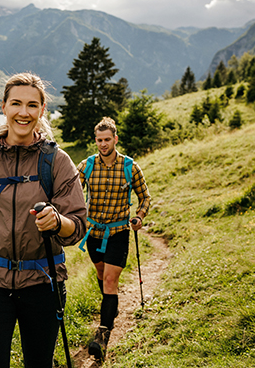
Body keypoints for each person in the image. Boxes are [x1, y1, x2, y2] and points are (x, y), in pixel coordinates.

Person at [0, 72, 87, 368]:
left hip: (43, 281)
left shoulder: (57, 162)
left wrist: (57, 222)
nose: (24, 113)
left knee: (39, 363)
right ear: (4, 106)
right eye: (17, 104)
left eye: (32, 105)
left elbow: (78, 225)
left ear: (42, 110)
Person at [76, 117, 151, 360]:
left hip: (119, 232)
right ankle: (112, 307)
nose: (103, 144)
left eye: (107, 139)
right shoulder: (86, 165)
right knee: (101, 275)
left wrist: (139, 216)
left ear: (115, 139)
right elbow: (70, 190)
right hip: (93, 234)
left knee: (109, 280)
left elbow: (145, 197)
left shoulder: (130, 166)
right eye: (99, 140)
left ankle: (103, 335)